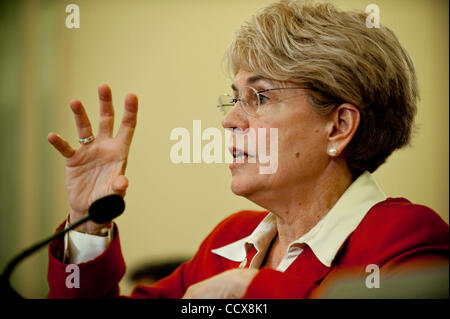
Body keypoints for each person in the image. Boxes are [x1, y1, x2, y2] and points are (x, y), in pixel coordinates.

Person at [46, 0, 448, 299]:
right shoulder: (231, 240)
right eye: (234, 98)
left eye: (259, 97)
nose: (229, 120)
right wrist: (87, 224)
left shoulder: (405, 238)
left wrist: (249, 289)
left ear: (338, 126)